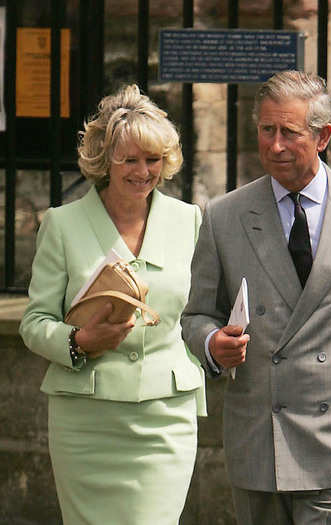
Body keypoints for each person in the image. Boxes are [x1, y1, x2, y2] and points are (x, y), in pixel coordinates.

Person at [181, 70, 331, 525]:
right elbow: (196, 314)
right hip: (260, 439)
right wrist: (213, 343)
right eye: (266, 130)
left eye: (289, 133)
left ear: (323, 136)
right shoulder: (223, 216)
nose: (275, 146)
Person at [19, 84, 206, 524]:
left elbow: (202, 312)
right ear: (104, 161)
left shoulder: (190, 220)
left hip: (166, 416)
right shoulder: (62, 225)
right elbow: (33, 322)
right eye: (130, 160)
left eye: (154, 159)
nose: (144, 171)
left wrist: (219, 341)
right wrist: (79, 339)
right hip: (86, 421)